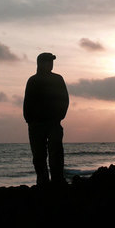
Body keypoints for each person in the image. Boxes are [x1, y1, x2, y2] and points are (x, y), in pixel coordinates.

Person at [23, 53, 69, 185]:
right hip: (36, 123)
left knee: (56, 152)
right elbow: (27, 101)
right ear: (40, 63)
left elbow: (64, 99)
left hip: (53, 122)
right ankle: (42, 181)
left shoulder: (57, 79)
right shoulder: (33, 80)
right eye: (48, 61)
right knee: (39, 155)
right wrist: (29, 119)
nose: (51, 64)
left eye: (51, 62)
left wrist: (60, 116)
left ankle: (57, 180)